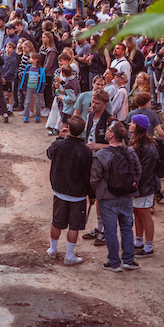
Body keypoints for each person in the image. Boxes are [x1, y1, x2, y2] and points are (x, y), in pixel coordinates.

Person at [90, 122, 142, 272]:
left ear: (111, 134)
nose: (106, 131)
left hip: (108, 197)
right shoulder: (130, 152)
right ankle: (128, 260)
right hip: (127, 196)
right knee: (127, 228)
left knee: (110, 230)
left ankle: (114, 262)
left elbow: (94, 178)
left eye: (108, 130)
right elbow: (138, 172)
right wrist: (130, 186)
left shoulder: (101, 154)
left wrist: (99, 192)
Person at [46, 116, 94, 266]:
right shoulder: (86, 151)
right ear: (83, 131)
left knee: (57, 221)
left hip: (59, 191)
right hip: (78, 195)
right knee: (74, 226)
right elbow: (88, 175)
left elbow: (49, 153)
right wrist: (92, 195)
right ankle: (69, 255)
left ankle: (53, 249)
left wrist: (60, 137)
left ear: (68, 128)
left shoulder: (58, 145)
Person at [129, 115, 160, 256]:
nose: (130, 124)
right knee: (137, 212)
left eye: (133, 123)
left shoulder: (148, 148)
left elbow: (145, 171)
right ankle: (138, 240)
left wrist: (135, 184)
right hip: (138, 186)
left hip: (145, 187)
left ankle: (149, 246)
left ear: (139, 127)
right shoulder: (136, 143)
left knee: (145, 214)